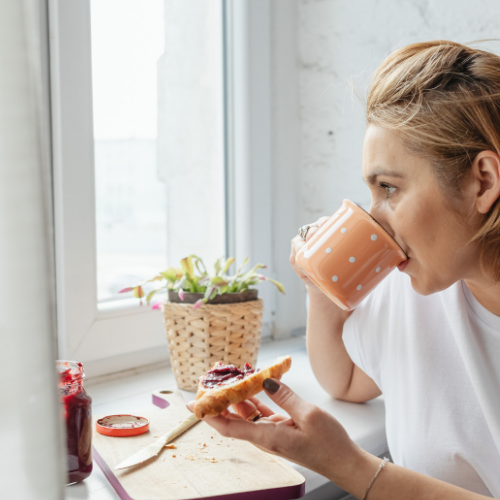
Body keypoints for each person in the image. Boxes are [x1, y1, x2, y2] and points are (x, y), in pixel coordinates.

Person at [187, 40, 500, 499]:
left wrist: (350, 467)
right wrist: (322, 289)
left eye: (389, 188)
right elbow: (348, 380)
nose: (373, 218)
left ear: (484, 181)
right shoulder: (419, 286)